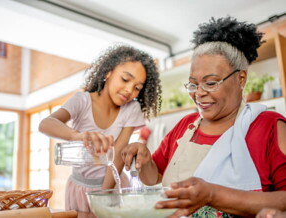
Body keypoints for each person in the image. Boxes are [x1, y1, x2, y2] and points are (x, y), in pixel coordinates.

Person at [122, 16, 286, 217]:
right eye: (193, 84)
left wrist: (213, 194)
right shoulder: (185, 126)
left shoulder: (269, 126)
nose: (199, 93)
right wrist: (145, 160)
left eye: (210, 83)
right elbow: (155, 176)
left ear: (240, 78)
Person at [39, 44, 162, 212]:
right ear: (108, 73)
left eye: (137, 88)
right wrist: (78, 136)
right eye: (125, 79)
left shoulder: (131, 109)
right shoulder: (82, 101)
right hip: (79, 188)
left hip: (112, 186)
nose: (129, 90)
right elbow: (45, 124)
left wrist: (104, 197)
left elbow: (118, 155)